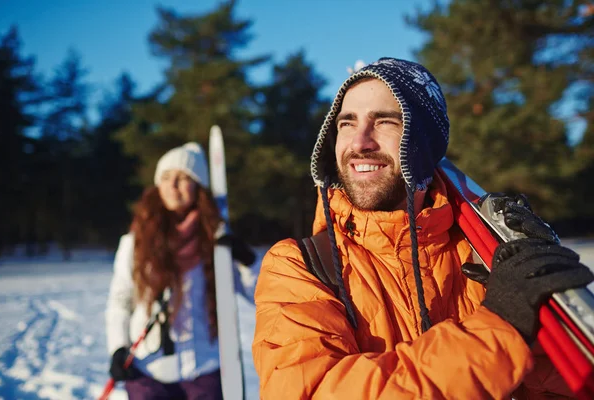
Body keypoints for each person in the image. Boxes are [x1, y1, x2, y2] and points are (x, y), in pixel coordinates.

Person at [252, 58, 594, 399]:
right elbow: (311, 391)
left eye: (384, 121)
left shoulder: (481, 253)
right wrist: (498, 329)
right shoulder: (299, 266)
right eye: (346, 123)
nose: (359, 142)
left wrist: (542, 308)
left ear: (424, 144)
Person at [106, 142, 256, 400]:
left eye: (183, 177)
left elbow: (259, 295)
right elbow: (121, 299)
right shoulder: (135, 242)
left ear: (198, 187)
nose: (172, 185)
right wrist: (118, 347)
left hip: (204, 369)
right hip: (147, 371)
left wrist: (247, 260)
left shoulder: (217, 243)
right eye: (165, 177)